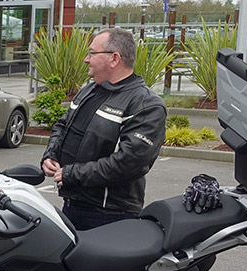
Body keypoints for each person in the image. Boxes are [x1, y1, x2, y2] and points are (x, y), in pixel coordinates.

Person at [41, 28, 166, 231]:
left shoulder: (145, 104)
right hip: (73, 203)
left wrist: (72, 174)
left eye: (92, 53)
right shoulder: (89, 90)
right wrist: (51, 155)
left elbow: (130, 163)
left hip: (109, 214)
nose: (86, 59)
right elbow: (62, 126)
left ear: (114, 59)